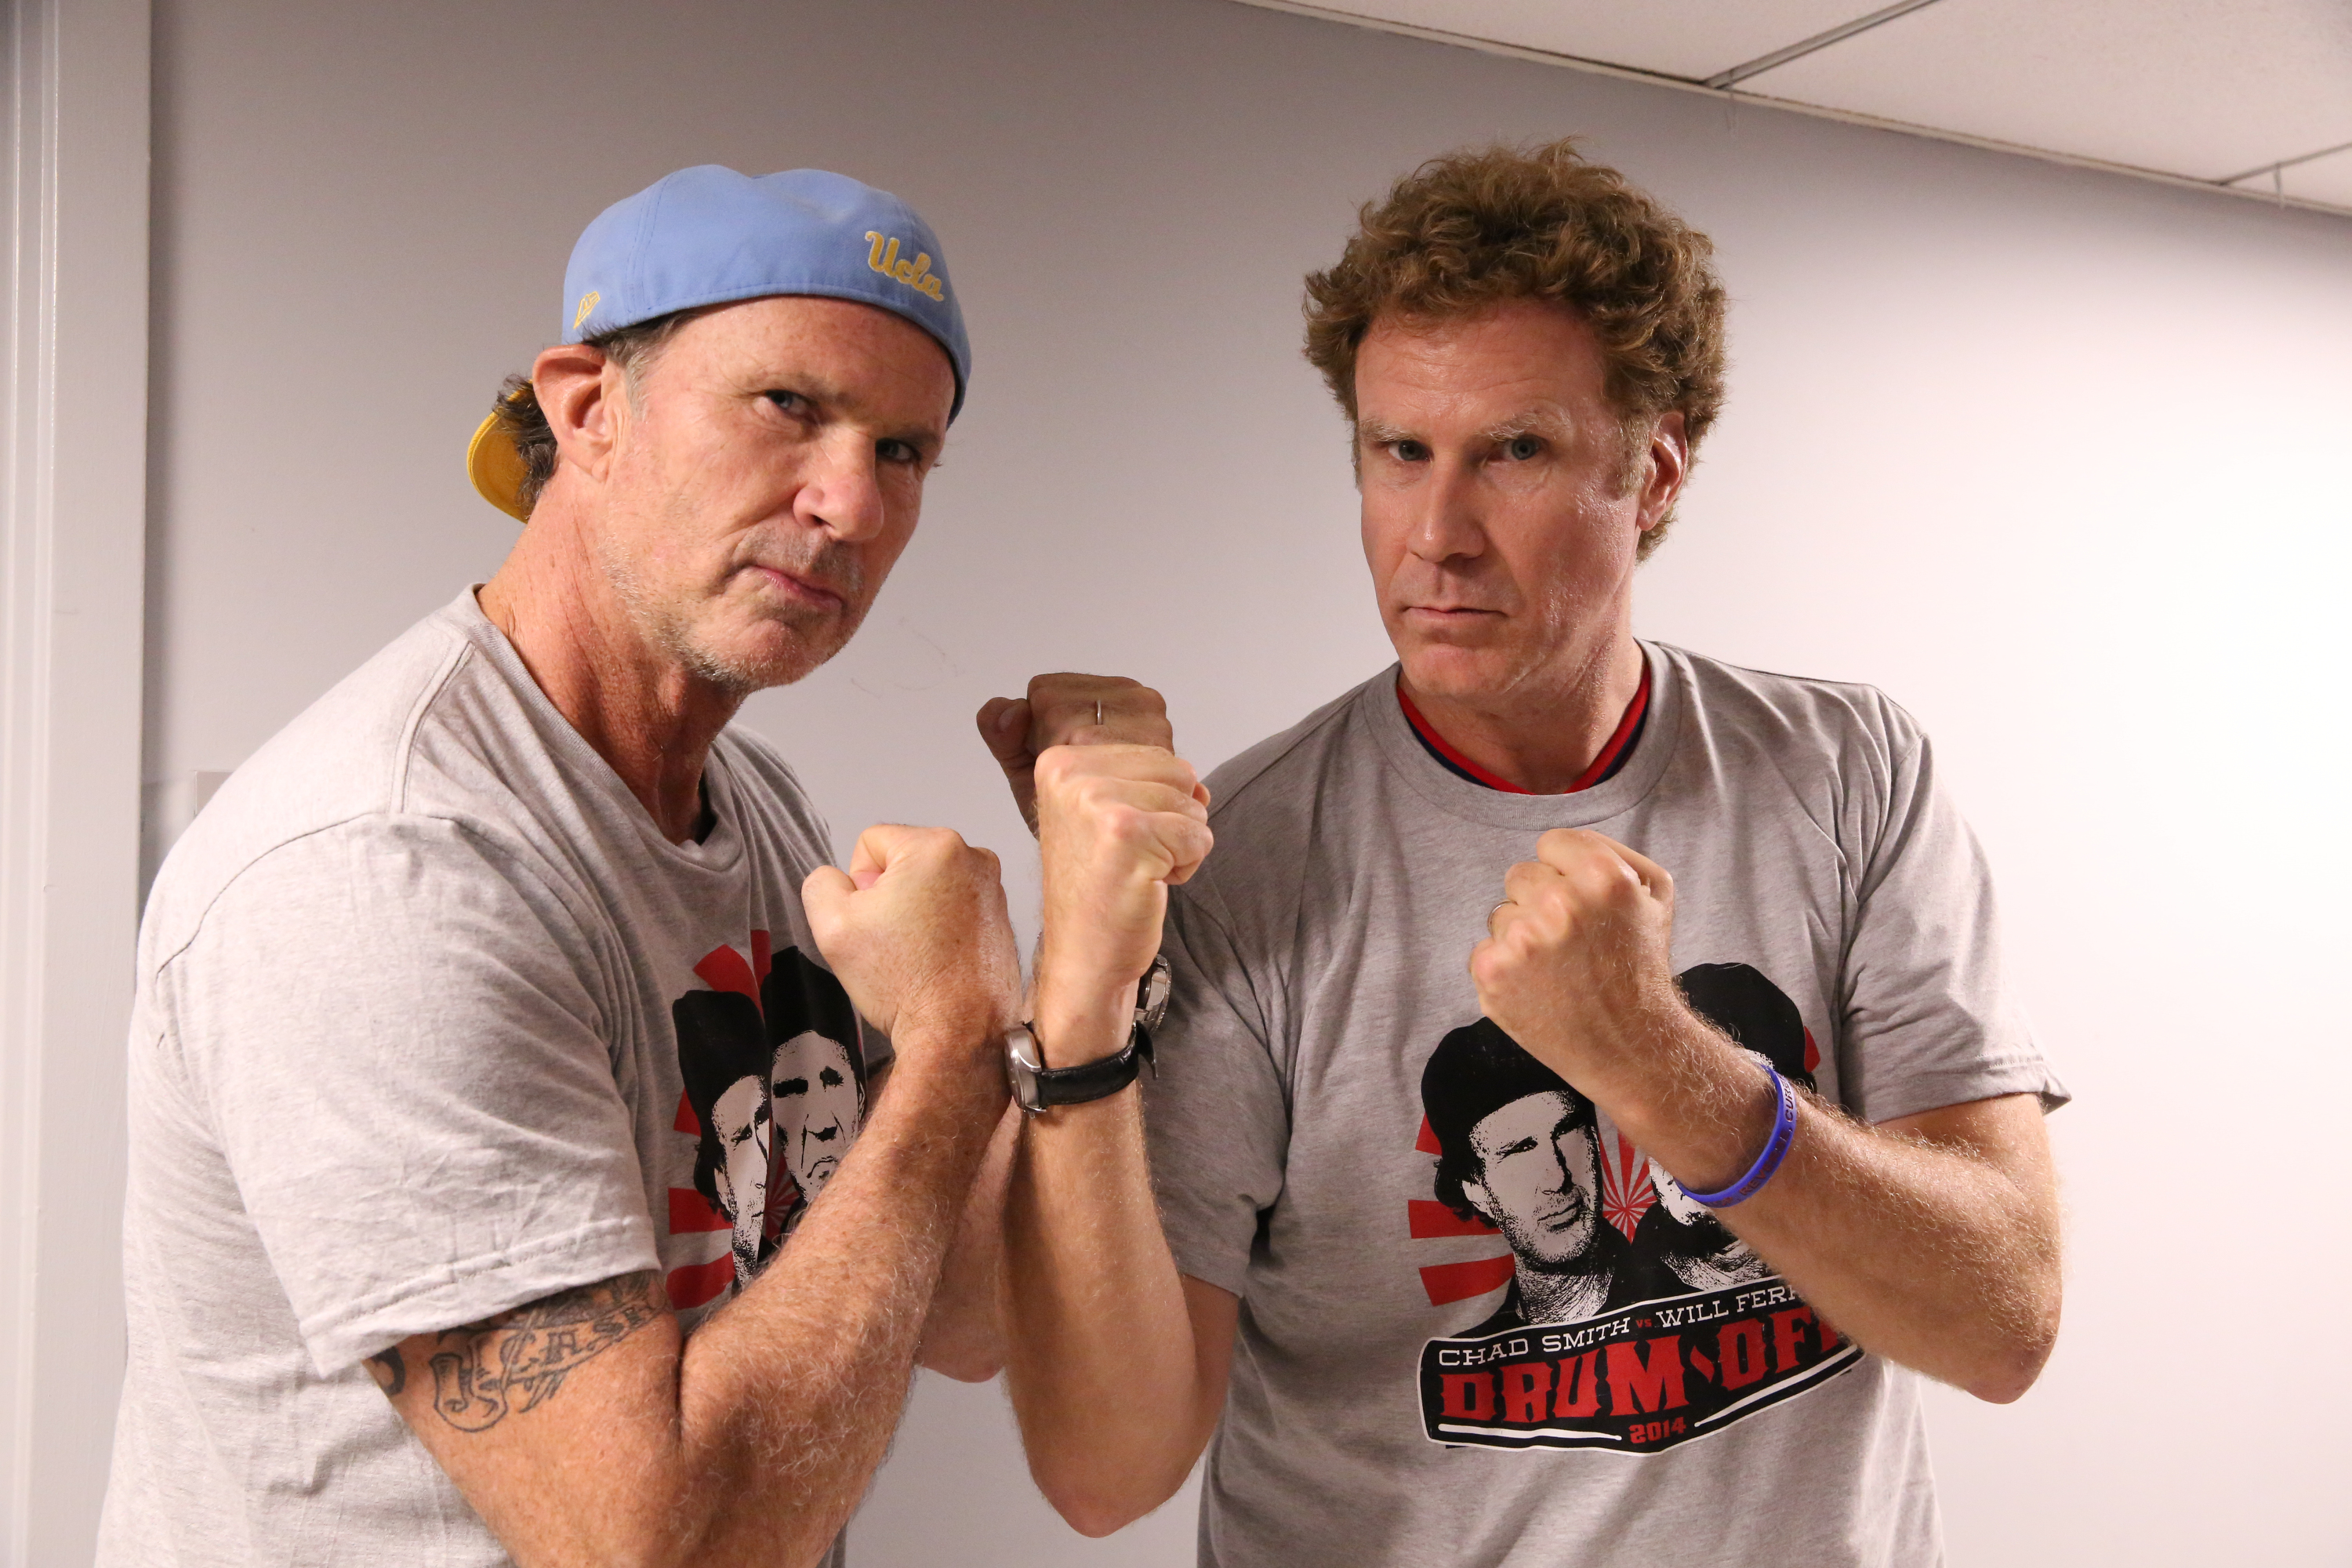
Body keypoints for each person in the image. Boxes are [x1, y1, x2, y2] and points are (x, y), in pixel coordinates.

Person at [998, 140, 2069, 1565]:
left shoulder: (1845, 775)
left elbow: (2002, 1323)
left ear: (1657, 471)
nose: (1436, 536)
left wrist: (1653, 1060)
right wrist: (1080, 992)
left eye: (1515, 451)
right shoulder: (1242, 858)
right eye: (1399, 453)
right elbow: (1103, 1473)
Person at [96, 163, 1143, 1568]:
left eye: (904, 451)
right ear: (590, 410)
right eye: (791, 407)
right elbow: (656, 1547)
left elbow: (960, 1310)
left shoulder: (747, 808)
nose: (853, 503)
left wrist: (1092, 941)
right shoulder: (388, 868)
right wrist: (954, 1041)